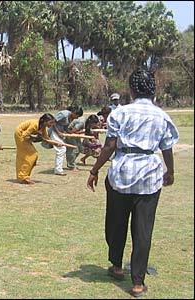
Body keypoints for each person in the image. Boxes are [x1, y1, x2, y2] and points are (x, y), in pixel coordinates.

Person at [86, 68, 179, 298]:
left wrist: (94, 169)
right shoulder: (162, 116)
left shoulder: (121, 113)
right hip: (149, 175)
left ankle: (117, 266)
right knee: (143, 229)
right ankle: (138, 283)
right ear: (152, 89)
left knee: (116, 223)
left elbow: (109, 146)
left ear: (132, 89)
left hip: (122, 173)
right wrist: (170, 171)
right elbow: (166, 148)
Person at [14, 114, 56, 184]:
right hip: (20, 134)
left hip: (24, 136)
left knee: (28, 156)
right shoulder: (35, 125)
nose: (52, 124)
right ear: (45, 121)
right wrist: (35, 138)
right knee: (32, 155)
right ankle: (23, 177)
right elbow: (25, 135)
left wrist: (56, 144)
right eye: (50, 122)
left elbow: (46, 138)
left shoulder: (42, 127)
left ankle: (24, 176)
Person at [49, 105, 83, 176]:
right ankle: (58, 170)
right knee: (61, 149)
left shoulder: (70, 118)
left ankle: (58, 169)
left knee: (62, 149)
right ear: (74, 112)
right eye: (77, 116)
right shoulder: (64, 114)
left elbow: (66, 128)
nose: (77, 118)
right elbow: (53, 122)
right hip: (54, 132)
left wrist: (72, 133)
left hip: (60, 133)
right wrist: (58, 132)